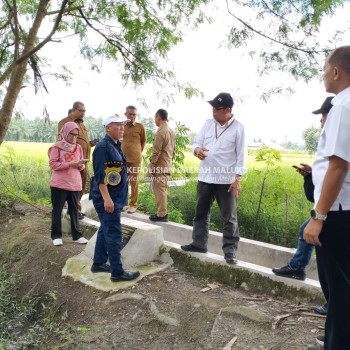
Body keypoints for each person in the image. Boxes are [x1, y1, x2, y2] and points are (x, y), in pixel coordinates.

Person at [303, 46, 350, 350]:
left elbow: (338, 165)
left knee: (340, 290)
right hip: (345, 209)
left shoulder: (343, 106)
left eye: (324, 69)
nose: (323, 75)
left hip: (337, 212)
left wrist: (318, 218)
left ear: (335, 71)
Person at [272, 97, 333, 285]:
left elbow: (337, 175)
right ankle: (299, 269)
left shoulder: (338, 141)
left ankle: (333, 302)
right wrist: (312, 174)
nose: (321, 120)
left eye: (324, 115)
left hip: (337, 207)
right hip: (333, 206)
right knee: (306, 232)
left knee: (330, 251)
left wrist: (319, 216)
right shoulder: (330, 140)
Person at [181, 92, 247, 264]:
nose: (213, 111)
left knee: (229, 217)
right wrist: (197, 151)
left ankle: (230, 251)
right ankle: (199, 244)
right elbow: (196, 143)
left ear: (228, 110)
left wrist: (237, 179)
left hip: (226, 181)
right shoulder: (208, 124)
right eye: (212, 108)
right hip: (205, 176)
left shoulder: (239, 128)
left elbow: (241, 156)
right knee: (200, 213)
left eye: (217, 109)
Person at [90, 115, 140, 282]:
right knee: (114, 232)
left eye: (122, 125)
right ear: (107, 128)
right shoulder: (103, 148)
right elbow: (100, 177)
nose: (121, 128)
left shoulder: (116, 145)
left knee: (105, 229)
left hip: (115, 197)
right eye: (117, 125)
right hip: (107, 198)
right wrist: (107, 199)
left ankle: (98, 263)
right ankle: (117, 272)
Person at [48, 122, 89, 246]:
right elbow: (53, 164)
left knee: (74, 210)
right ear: (65, 133)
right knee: (57, 210)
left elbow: (81, 167)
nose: (73, 137)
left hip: (74, 183)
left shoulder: (78, 147)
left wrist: (80, 164)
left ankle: (77, 235)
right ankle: (56, 235)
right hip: (59, 184)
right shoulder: (57, 147)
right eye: (71, 134)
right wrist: (70, 164)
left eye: (76, 135)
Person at [58, 102, 98, 220]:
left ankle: (75, 209)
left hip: (83, 162)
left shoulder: (82, 125)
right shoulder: (65, 122)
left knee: (80, 187)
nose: (83, 113)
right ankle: (74, 210)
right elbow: (62, 141)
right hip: (72, 162)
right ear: (74, 110)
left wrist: (90, 144)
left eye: (84, 111)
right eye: (81, 111)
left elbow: (82, 142)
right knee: (72, 187)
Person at [147, 109, 176, 222]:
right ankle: (162, 212)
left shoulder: (160, 132)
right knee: (162, 189)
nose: (155, 120)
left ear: (158, 118)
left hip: (160, 165)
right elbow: (173, 150)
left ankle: (162, 214)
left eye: (155, 118)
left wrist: (151, 167)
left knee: (159, 190)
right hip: (167, 164)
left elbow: (156, 152)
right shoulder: (171, 131)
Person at [121, 105, 146, 214]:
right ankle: (124, 203)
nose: (132, 116)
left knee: (134, 182)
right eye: (130, 114)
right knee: (122, 182)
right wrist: (122, 125)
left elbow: (143, 141)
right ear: (125, 114)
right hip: (122, 159)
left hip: (135, 159)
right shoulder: (121, 126)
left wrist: (137, 152)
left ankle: (133, 204)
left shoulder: (140, 126)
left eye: (134, 114)